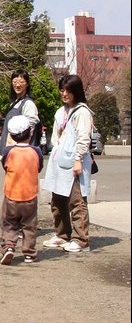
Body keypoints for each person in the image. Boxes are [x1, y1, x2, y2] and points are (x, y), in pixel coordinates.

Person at [42, 74, 94, 253]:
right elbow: (56, 137)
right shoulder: (60, 111)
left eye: (68, 90)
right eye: (62, 90)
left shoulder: (82, 112)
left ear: (76, 92)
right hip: (59, 162)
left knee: (76, 201)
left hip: (74, 162)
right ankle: (62, 234)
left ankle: (81, 240)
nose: (64, 93)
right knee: (57, 200)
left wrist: (78, 160)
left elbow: (83, 138)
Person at [0, 115, 44, 265]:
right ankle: (29, 253)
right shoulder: (36, 152)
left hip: (11, 194)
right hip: (30, 195)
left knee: (9, 223)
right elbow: (39, 168)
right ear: (30, 133)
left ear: (11, 135)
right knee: (29, 225)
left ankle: (9, 247)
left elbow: (5, 166)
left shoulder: (8, 152)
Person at [0, 70, 41, 159]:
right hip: (10, 148)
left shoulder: (28, 103)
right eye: (15, 82)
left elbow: (31, 126)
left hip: (21, 152)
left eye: (21, 82)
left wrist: (21, 145)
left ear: (27, 84)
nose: (17, 85)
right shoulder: (13, 103)